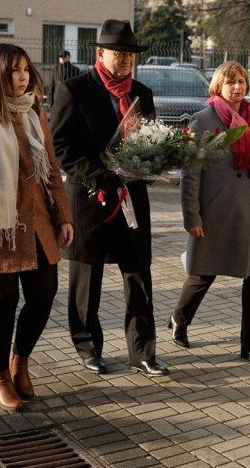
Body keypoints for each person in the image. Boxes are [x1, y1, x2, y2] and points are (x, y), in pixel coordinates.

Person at [0, 43, 73, 412]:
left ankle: (20, 362)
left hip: (36, 223)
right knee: (2, 303)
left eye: (25, 70)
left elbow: (51, 168)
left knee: (44, 295)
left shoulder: (34, 112)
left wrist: (64, 215)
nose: (22, 77)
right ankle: (0, 378)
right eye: (13, 71)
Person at [49, 19, 168, 378]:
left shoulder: (141, 94)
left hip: (131, 199)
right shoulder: (74, 90)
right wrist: (100, 174)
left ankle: (143, 352)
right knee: (87, 278)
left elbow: (150, 140)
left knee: (139, 276)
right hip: (91, 197)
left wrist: (157, 158)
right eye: (119, 53)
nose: (126, 60)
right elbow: (60, 147)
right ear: (101, 53)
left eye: (131, 54)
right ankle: (88, 346)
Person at [171, 61, 250, 366]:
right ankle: (179, 317)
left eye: (241, 81)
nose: (237, 87)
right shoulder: (201, 121)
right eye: (230, 82)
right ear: (218, 86)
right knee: (204, 272)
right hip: (216, 210)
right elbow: (190, 173)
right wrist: (192, 216)